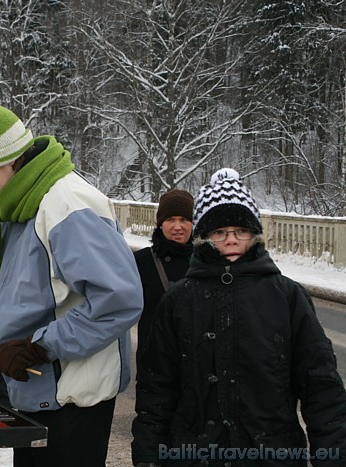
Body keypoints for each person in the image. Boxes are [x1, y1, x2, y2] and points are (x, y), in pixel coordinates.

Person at [0, 97, 143, 467]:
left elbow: (119, 300)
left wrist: (36, 347)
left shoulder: (67, 204)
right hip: (37, 390)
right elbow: (42, 293)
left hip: (72, 396)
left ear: (5, 157)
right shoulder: (20, 203)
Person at [131, 168, 346, 467]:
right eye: (219, 232)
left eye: (240, 231)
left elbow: (321, 386)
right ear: (204, 237)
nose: (231, 240)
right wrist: (148, 456)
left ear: (253, 235)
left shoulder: (286, 296)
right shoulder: (179, 299)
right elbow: (157, 389)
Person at [133, 189, 193, 363]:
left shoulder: (205, 261)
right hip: (154, 360)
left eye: (184, 220)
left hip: (195, 366)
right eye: (170, 219)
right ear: (160, 224)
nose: (177, 226)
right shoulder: (142, 262)